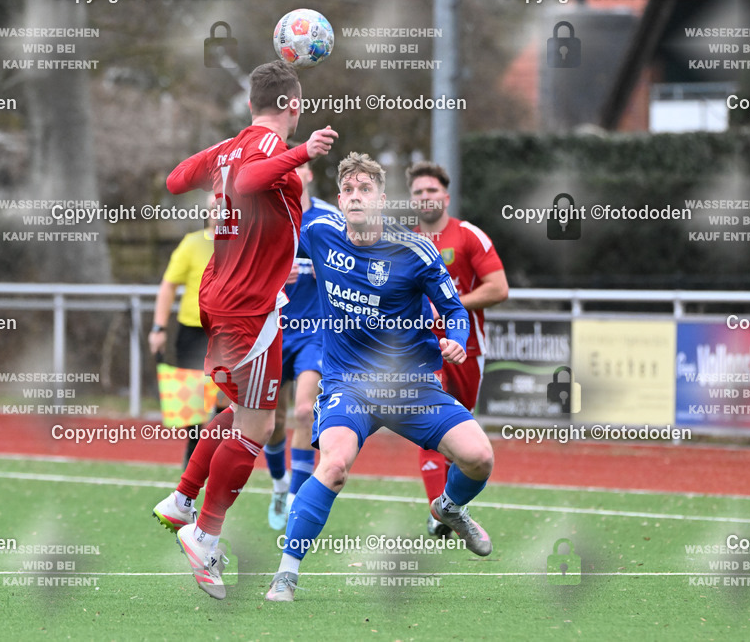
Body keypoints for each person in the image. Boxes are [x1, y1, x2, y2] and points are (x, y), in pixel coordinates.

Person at [265, 152, 494, 602]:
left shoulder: (415, 251)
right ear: (339, 199)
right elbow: (274, 241)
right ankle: (286, 575)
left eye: (364, 189)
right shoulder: (319, 232)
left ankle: (449, 507)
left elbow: (452, 309)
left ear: (382, 200)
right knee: (333, 466)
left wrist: (455, 339)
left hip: (411, 384)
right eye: (348, 189)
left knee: (479, 458)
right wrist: (277, 273)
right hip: (347, 383)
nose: (355, 196)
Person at [151, 60, 338, 600]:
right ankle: (205, 535)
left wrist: (221, 156)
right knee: (255, 428)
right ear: (293, 105)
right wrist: (301, 154)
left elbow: (173, 179)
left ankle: (183, 499)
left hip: (224, 295)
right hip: (249, 306)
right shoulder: (269, 157)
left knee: (240, 413)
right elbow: (254, 177)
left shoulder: (234, 146)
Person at [408, 161, 508, 537]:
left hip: (465, 347)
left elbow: (498, 288)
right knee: (429, 420)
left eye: (431, 190)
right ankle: (437, 513)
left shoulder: (469, 236)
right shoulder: (404, 242)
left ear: (445, 196)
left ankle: (450, 503)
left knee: (458, 431)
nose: (425, 197)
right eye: (418, 192)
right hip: (421, 348)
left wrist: (452, 303)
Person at [263, 161, 337, 529]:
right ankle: (278, 484)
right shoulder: (269, 219)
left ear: (309, 175)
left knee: (305, 411)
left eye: (301, 168)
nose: (294, 175)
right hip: (275, 329)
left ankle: (295, 495)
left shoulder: (329, 218)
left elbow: (350, 264)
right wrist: (275, 275)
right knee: (271, 421)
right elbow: (248, 274)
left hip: (315, 332)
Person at [148, 199, 229, 469]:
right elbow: (168, 286)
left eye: (225, 208)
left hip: (226, 333)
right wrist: (159, 327)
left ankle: (214, 452)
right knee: (190, 404)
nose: (219, 214)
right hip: (192, 331)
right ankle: (193, 452)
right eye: (214, 208)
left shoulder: (241, 245)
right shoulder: (192, 243)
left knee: (223, 397)